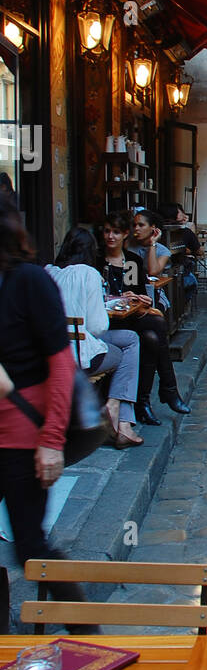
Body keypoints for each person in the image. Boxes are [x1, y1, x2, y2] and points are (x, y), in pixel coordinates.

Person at [0, 198, 92, 620]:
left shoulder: (30, 282)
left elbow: (61, 364)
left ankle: (84, 628)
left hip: (23, 436)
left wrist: (52, 439)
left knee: (30, 547)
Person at [46, 226, 142, 448]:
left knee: (129, 337)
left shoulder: (48, 272)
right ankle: (118, 411)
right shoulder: (88, 274)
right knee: (129, 344)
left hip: (53, 353)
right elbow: (98, 327)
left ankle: (121, 418)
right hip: (80, 356)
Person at [99, 213, 190, 425]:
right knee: (153, 332)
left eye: (116, 232)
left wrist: (141, 299)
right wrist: (117, 297)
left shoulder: (131, 261)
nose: (111, 236)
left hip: (129, 317)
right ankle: (161, 393)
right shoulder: (97, 260)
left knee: (153, 332)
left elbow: (140, 292)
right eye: (107, 231)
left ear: (125, 234)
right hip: (107, 320)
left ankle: (148, 400)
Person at [159, 203, 203, 302]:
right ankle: (185, 305)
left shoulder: (156, 231)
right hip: (177, 272)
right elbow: (199, 251)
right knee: (191, 283)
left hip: (165, 273)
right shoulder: (184, 231)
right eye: (180, 212)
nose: (183, 215)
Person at [130, 210, 171, 311]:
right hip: (131, 292)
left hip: (154, 293)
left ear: (152, 227)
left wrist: (152, 243)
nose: (136, 228)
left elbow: (152, 271)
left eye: (141, 225)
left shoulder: (163, 251)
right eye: (134, 225)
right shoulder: (128, 246)